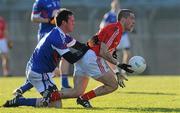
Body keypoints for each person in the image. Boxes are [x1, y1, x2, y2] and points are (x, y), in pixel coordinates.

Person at [3, 9, 89, 108]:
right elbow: (71, 59)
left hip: (39, 70)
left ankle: (22, 100)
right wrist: (87, 48)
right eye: (72, 21)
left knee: (55, 104)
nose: (74, 23)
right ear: (64, 22)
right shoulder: (57, 38)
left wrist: (90, 44)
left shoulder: (61, 34)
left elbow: (79, 46)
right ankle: (23, 100)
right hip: (39, 72)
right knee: (56, 105)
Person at [51, 9, 135, 108]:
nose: (134, 22)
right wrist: (119, 64)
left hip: (84, 57)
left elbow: (108, 53)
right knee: (113, 85)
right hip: (92, 58)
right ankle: (84, 98)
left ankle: (50, 96)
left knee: (76, 92)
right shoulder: (116, 30)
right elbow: (103, 52)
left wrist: (116, 72)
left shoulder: (116, 30)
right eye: (132, 18)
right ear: (124, 19)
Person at [12, 0, 71, 97]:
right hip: (45, 34)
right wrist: (49, 20)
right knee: (47, 67)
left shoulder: (57, 1)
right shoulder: (40, 2)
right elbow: (34, 18)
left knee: (63, 57)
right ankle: (24, 87)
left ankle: (64, 83)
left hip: (57, 32)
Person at [100, 0, 132, 75]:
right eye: (115, 4)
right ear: (112, 5)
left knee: (127, 52)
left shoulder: (122, 14)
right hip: (114, 37)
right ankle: (115, 71)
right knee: (113, 54)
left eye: (118, 4)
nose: (116, 5)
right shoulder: (108, 15)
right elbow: (102, 25)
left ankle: (124, 71)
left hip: (123, 36)